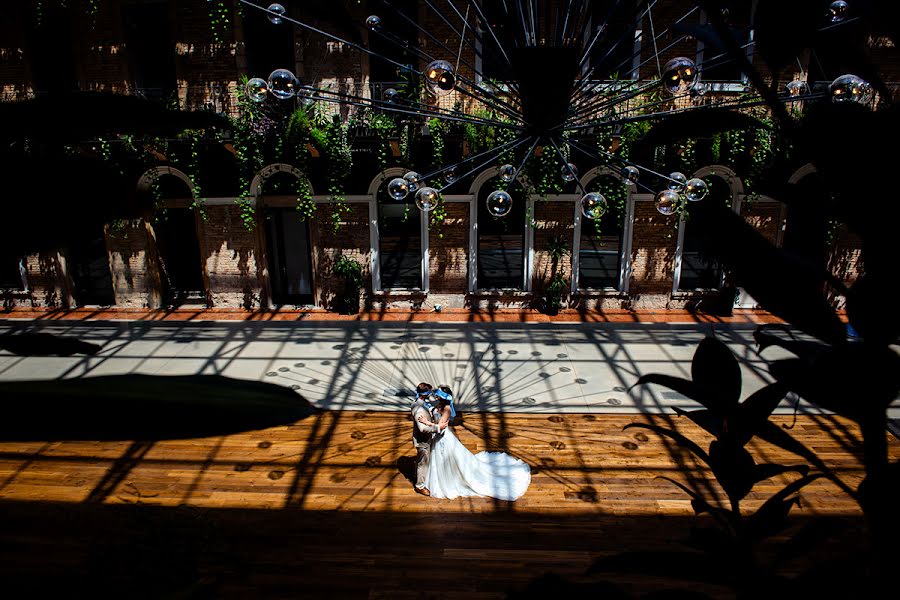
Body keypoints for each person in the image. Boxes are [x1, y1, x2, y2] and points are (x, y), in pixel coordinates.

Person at [425, 384, 531, 500]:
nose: (436, 397)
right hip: (438, 437)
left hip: (443, 437)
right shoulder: (440, 406)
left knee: (447, 460)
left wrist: (426, 422)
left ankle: (447, 481)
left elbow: (440, 426)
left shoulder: (447, 410)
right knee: (440, 460)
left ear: (443, 397)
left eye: (438, 396)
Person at [410, 382, 445, 497]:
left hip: (424, 440)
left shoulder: (418, 403)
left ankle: (418, 476)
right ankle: (420, 486)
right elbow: (422, 429)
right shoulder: (419, 409)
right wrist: (437, 427)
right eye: (429, 392)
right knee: (423, 463)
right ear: (425, 394)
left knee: (420, 461)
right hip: (422, 441)